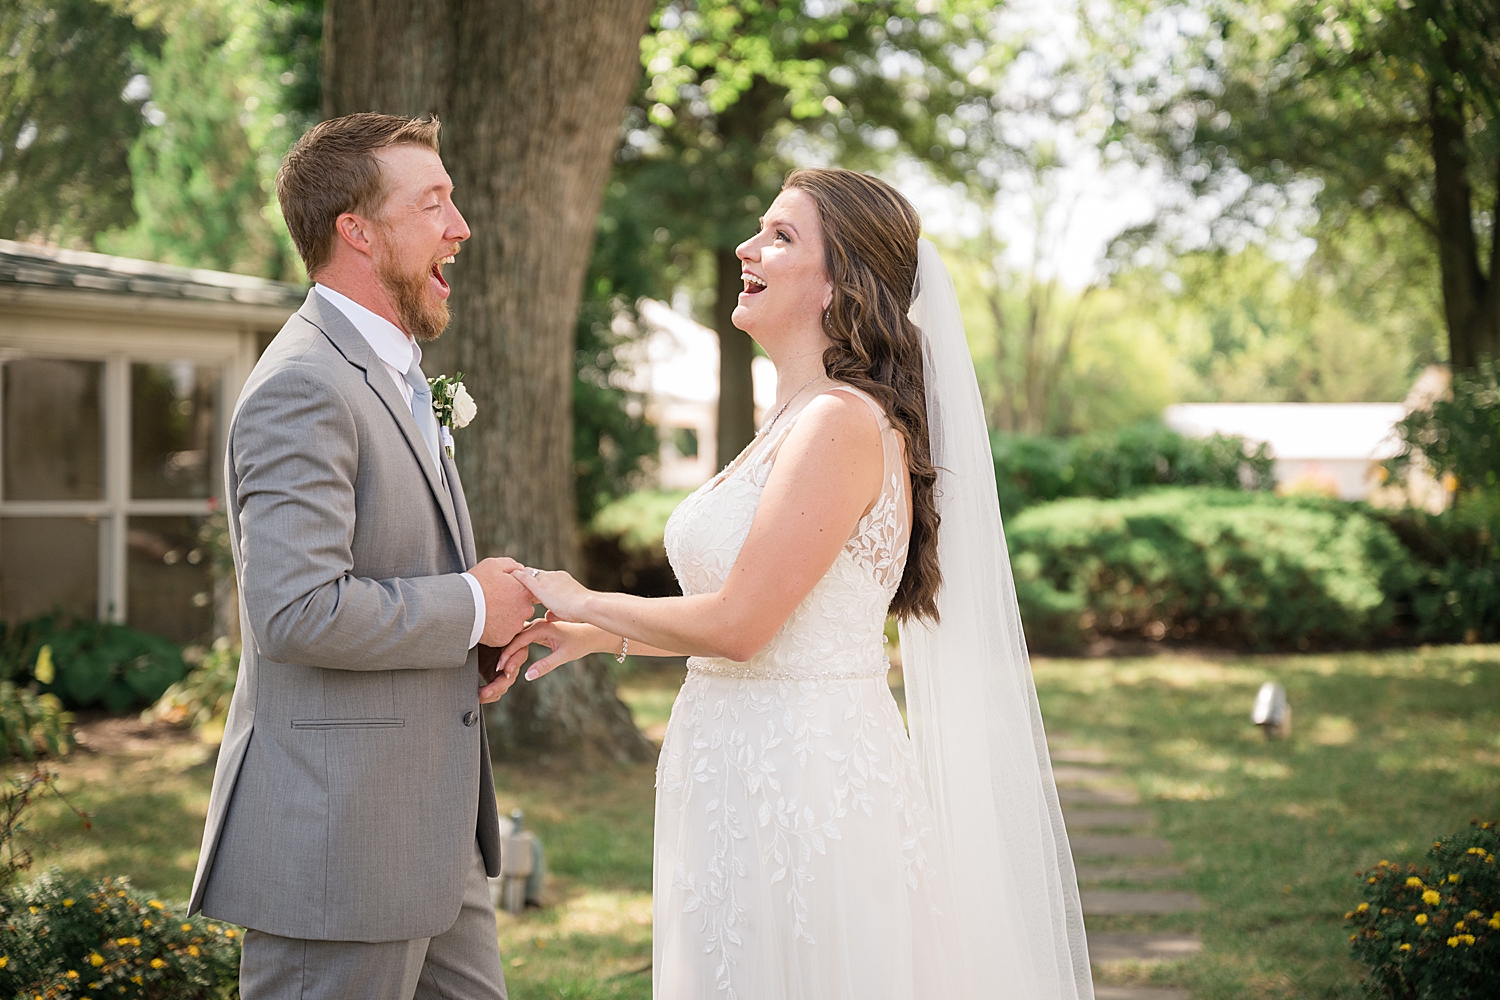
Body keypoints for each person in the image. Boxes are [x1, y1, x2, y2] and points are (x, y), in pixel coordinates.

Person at [504, 168, 1094, 998]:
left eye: (781, 236)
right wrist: (600, 636)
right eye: (759, 228)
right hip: (735, 764)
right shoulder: (793, 419)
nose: (748, 247)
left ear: (838, 284)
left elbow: (743, 625)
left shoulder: (838, 423)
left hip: (803, 783)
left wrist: (585, 597)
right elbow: (762, 603)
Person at [188, 113, 537, 1000]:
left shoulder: (394, 371)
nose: (460, 227)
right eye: (434, 203)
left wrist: (475, 636)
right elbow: (295, 611)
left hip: (434, 833)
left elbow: (389, 568)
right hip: (339, 849)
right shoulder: (305, 382)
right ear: (357, 230)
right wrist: (468, 605)